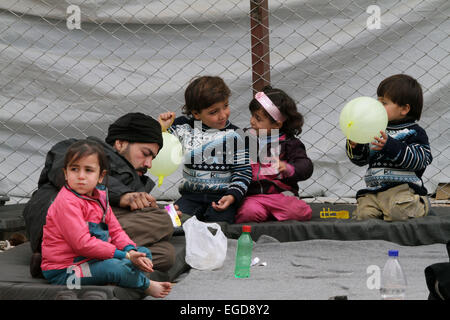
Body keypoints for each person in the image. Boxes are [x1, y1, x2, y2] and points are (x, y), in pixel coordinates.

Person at [23, 112, 177, 278]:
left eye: (152, 158)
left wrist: (169, 212)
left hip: (94, 230)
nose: (149, 163)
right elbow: (68, 174)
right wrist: (124, 195)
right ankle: (62, 259)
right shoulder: (79, 148)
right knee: (161, 220)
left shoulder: (133, 179)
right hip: (60, 226)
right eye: (145, 153)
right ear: (120, 143)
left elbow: (120, 214)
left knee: (166, 254)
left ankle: (70, 266)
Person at [41, 139, 172, 298]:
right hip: (68, 270)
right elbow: (82, 244)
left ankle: (122, 279)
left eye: (88, 170)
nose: (81, 176)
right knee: (113, 268)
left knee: (143, 254)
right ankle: (145, 285)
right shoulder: (67, 202)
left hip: (93, 260)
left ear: (101, 176)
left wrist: (130, 250)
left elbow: (116, 231)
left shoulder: (101, 197)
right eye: (74, 169)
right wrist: (124, 256)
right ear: (66, 174)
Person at [158, 76, 252, 224]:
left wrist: (232, 196)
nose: (223, 115)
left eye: (226, 106)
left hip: (222, 199)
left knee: (220, 229)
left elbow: (243, 171)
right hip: (190, 197)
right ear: (196, 113)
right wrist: (162, 127)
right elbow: (158, 145)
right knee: (168, 222)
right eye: (213, 112)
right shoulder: (183, 128)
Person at [346, 74, 433, 221]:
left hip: (403, 190)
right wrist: (357, 147)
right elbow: (361, 160)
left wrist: (390, 146)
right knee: (363, 216)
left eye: (384, 103)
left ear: (404, 109)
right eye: (378, 101)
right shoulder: (374, 129)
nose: (377, 106)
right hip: (374, 191)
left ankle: (421, 204)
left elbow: (421, 159)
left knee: (398, 212)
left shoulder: (414, 132)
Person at [235, 86, 313, 223]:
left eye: (258, 118)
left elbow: (305, 165)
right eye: (252, 115)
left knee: (299, 212)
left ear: (277, 125)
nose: (252, 121)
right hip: (253, 196)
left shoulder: (290, 143)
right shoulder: (245, 138)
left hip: (281, 195)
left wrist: (288, 168)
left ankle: (273, 213)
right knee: (248, 213)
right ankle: (267, 215)